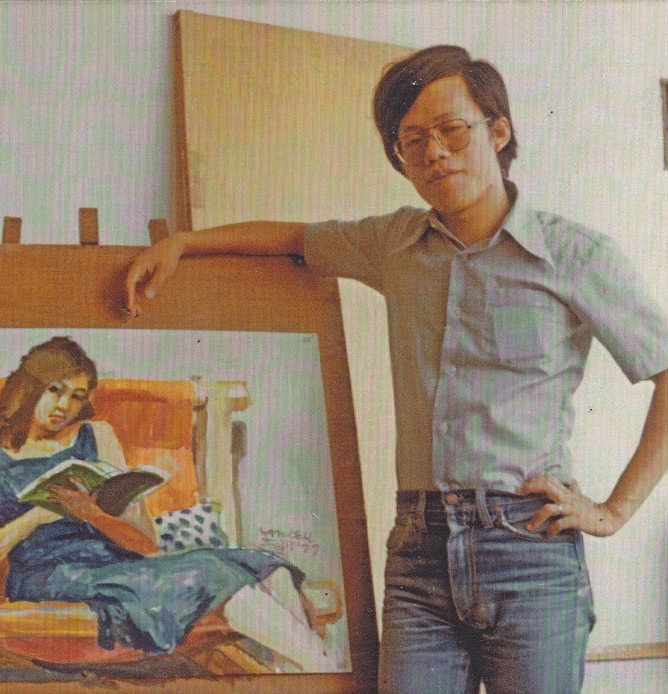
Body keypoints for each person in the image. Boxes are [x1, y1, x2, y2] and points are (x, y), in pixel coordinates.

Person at [124, 45, 668, 693]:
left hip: (528, 553)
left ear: (498, 132)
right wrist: (185, 243)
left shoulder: (574, 255)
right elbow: (294, 238)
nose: (434, 152)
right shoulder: (394, 245)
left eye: (451, 130)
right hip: (418, 553)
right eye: (412, 141)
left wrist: (613, 511)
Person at [0, 336, 340, 670]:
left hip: (120, 566)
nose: (64, 405)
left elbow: (145, 545)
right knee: (210, 572)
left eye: (77, 396)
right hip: (50, 577)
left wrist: (92, 513)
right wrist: (37, 517)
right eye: (54, 389)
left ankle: (308, 675)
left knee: (267, 568)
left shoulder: (98, 437)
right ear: (30, 385)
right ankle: (325, 670)